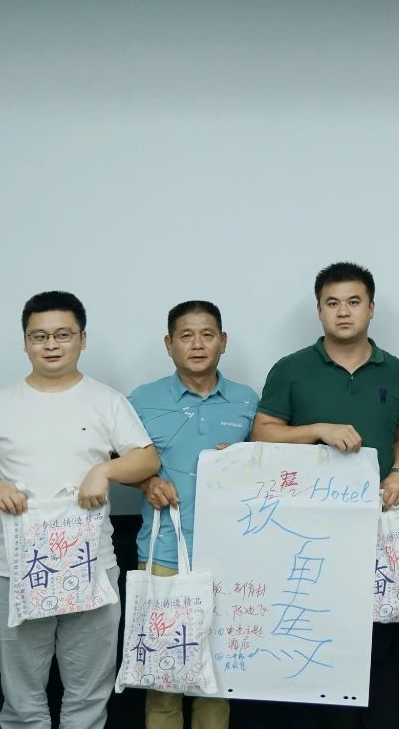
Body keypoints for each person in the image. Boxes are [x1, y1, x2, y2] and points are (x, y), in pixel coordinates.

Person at [0, 291, 159, 729]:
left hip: (91, 567)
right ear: (25, 342)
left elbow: (146, 459)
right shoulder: (0, 403)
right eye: (39, 336)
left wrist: (105, 470)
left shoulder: (105, 400)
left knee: (88, 697)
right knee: (21, 702)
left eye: (63, 335)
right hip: (16, 568)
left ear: (82, 339)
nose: (51, 345)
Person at [251, 261, 399, 727]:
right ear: (319, 310)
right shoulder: (291, 369)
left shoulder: (395, 370)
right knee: (310, 640)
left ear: (371, 308)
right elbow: (262, 433)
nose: (344, 312)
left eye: (354, 302)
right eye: (333, 303)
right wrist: (318, 430)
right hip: (305, 536)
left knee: (376, 647)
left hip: (375, 529)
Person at [127, 300, 258, 729]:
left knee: (215, 683)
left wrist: (244, 461)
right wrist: (147, 483)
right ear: (169, 345)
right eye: (186, 336)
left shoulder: (246, 400)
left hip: (229, 559)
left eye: (207, 335)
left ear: (223, 341)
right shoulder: (142, 400)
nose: (197, 344)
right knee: (163, 679)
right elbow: (114, 460)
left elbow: (267, 468)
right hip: (163, 556)